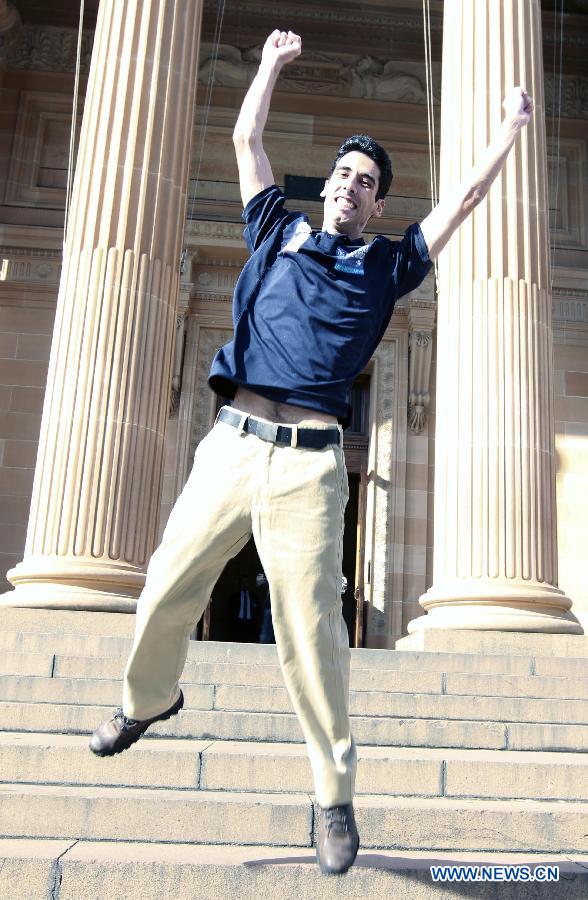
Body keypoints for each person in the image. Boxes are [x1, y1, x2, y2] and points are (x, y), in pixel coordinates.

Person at [89, 29, 533, 875]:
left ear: (376, 204)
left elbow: (467, 202)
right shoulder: (273, 230)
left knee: (312, 634)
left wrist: (509, 132)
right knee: (164, 587)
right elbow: (246, 140)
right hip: (229, 446)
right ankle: (149, 700)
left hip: (310, 464)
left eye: (366, 184)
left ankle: (332, 796)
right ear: (325, 187)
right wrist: (268, 67)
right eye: (342, 176)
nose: (349, 188)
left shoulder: (389, 266)